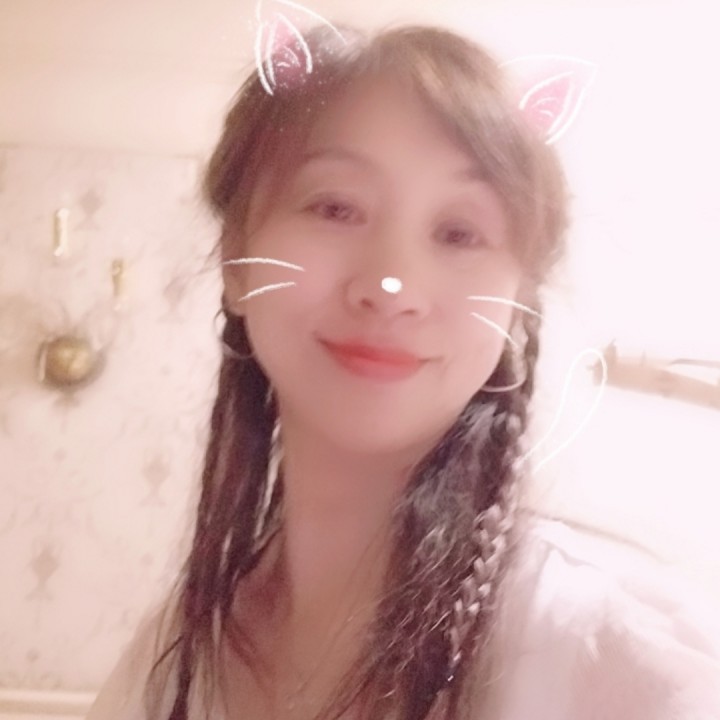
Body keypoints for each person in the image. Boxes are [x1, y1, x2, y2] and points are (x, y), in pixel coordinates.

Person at [86, 22, 720, 720]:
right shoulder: (175, 657)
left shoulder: (617, 659)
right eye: (336, 207)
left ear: (518, 303)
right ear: (237, 262)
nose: (392, 285)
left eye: (460, 233)